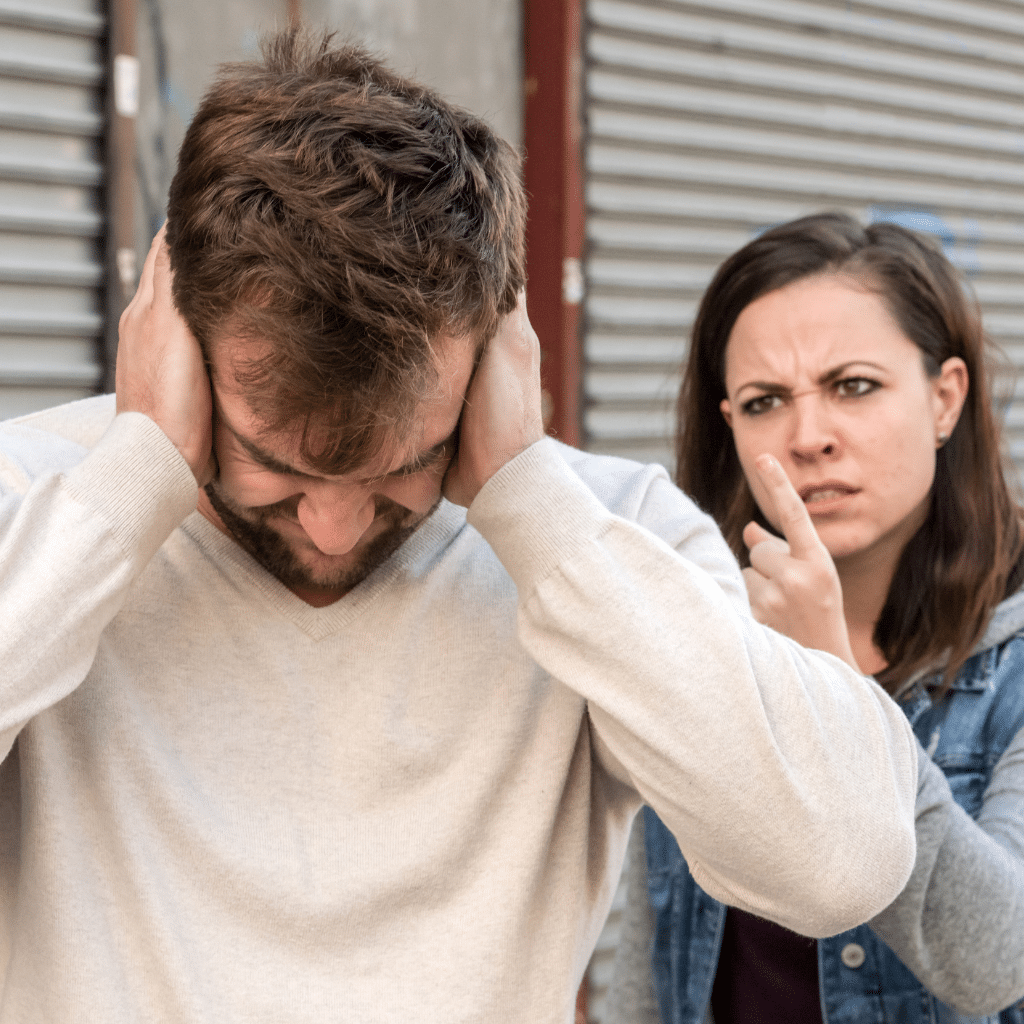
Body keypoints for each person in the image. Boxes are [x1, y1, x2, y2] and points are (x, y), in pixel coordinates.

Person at [0, 38, 919, 1022]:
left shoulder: (601, 538)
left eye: (406, 463)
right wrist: (132, 485)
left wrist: (528, 503)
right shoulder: (38, 501)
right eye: (273, 462)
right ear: (167, 330)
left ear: (498, 351)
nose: (335, 521)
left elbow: (841, 868)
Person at [608, 212, 1024, 1024]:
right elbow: (649, 974)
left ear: (945, 399)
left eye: (853, 387)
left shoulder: (1009, 662)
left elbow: (999, 956)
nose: (808, 438)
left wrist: (835, 688)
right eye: (766, 402)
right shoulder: (703, 638)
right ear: (731, 426)